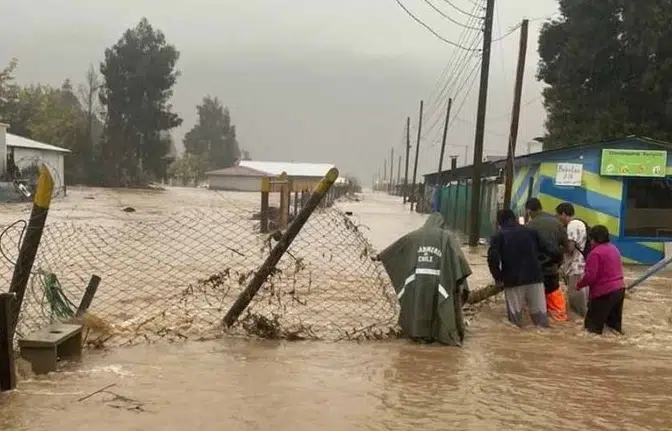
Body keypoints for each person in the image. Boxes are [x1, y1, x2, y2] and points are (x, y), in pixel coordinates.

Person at [374, 212, 472, 346]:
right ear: (441, 224)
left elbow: (397, 248)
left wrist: (380, 256)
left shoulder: (414, 235)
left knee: (419, 307)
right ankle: (439, 335)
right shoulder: (447, 237)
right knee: (440, 305)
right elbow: (459, 261)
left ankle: (419, 336)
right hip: (439, 281)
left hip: (417, 282)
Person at [487, 209, 561, 328]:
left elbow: (492, 259)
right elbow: (551, 250)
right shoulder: (531, 232)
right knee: (541, 321)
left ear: (499, 222)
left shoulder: (499, 235)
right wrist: (546, 265)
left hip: (513, 281)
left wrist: (498, 278)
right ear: (515, 218)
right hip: (536, 279)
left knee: (514, 323)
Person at [526, 198, 569, 322]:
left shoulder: (530, 226)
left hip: (535, 273)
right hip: (552, 270)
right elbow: (566, 246)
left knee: (536, 308)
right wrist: (559, 262)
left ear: (528, 211)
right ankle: (560, 323)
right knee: (556, 303)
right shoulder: (557, 223)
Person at [577, 225, 626, 334]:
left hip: (604, 293)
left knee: (591, 329)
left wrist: (579, 285)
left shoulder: (595, 253)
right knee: (614, 329)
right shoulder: (614, 249)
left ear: (592, 239)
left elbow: (591, 277)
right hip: (619, 290)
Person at [556, 202, 588, 316]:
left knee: (575, 297)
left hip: (575, 266)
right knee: (580, 295)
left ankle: (580, 321)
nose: (559, 219)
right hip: (580, 264)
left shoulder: (572, 225)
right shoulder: (580, 223)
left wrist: (556, 249)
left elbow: (570, 247)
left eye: (559, 216)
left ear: (564, 214)